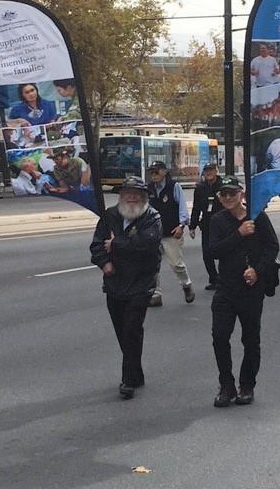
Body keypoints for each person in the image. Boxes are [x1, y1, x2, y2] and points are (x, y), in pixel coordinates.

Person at [208, 176, 279, 407]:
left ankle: (247, 385)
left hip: (250, 290)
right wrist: (239, 234)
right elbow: (214, 251)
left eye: (232, 193)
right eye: (224, 194)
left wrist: (258, 271)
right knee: (219, 336)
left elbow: (272, 247)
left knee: (250, 339)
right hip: (225, 288)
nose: (228, 197)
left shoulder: (257, 217)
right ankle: (226, 385)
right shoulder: (217, 220)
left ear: (242, 195)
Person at [90, 176, 162, 399]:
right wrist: (105, 262)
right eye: (127, 193)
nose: (131, 197)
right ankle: (136, 372)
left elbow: (147, 245)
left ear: (143, 197)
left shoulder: (152, 217)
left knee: (132, 329)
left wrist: (116, 244)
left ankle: (128, 380)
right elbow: (96, 244)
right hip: (115, 284)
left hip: (141, 284)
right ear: (121, 196)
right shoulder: (110, 216)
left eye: (136, 193)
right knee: (123, 332)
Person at [146, 160, 194, 307]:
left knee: (176, 264)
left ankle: (186, 285)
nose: (153, 175)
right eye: (151, 172)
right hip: (154, 233)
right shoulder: (149, 189)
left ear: (164, 172)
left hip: (172, 232)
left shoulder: (174, 187)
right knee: (151, 265)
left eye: (156, 171)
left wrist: (182, 225)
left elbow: (182, 207)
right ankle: (156, 294)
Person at [189, 162, 223, 290]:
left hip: (222, 223)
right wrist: (192, 226)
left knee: (223, 252)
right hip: (207, 224)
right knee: (206, 254)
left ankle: (224, 278)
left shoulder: (223, 185)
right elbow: (196, 207)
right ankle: (214, 279)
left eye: (211, 170)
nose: (209, 173)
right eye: (206, 170)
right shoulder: (200, 188)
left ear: (216, 171)